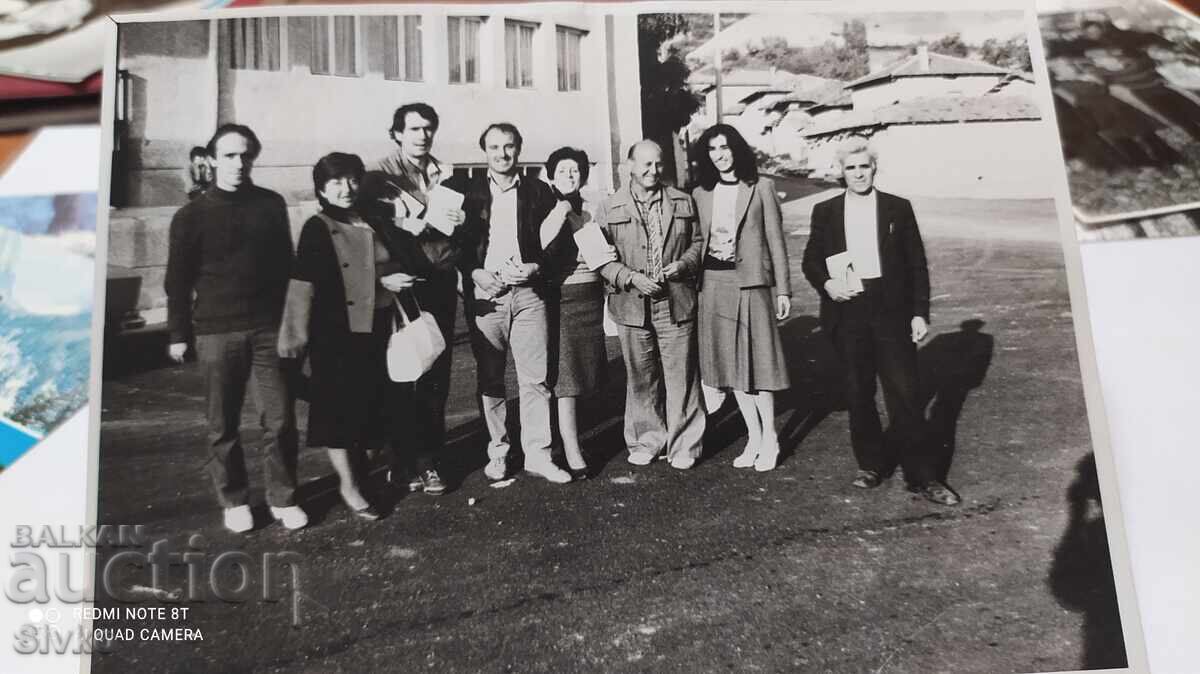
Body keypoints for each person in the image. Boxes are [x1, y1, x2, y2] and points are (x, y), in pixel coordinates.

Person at [800, 137, 959, 506]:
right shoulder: (826, 211)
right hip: (847, 310)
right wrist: (827, 285)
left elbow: (916, 263)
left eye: (864, 166)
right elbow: (811, 260)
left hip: (891, 311)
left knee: (905, 394)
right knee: (858, 392)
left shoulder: (897, 208)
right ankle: (870, 464)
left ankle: (923, 477)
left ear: (874, 169)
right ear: (841, 172)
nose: (858, 174)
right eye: (851, 168)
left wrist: (919, 312)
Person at [164, 124, 305, 532]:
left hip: (268, 330)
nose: (238, 163)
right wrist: (178, 334)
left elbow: (286, 267)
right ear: (211, 160)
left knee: (279, 421)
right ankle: (235, 500)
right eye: (228, 155)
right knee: (222, 424)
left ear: (253, 157)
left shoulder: (270, 205)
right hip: (216, 331)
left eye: (245, 155)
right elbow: (177, 281)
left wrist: (293, 327)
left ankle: (283, 497)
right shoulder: (190, 216)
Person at [278, 152, 426, 521]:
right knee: (338, 414)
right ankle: (349, 486)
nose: (345, 189)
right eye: (335, 182)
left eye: (352, 180)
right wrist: (381, 283)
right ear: (321, 189)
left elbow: (396, 256)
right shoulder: (318, 227)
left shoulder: (372, 219)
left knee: (375, 408)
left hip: (379, 327)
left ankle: (362, 474)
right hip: (337, 335)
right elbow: (315, 285)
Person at [447, 122, 572, 484]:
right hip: (486, 296)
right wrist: (474, 273)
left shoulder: (538, 190)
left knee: (535, 378)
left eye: (509, 146)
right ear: (483, 151)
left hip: (529, 295)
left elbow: (559, 242)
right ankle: (499, 452)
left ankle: (538, 454)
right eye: (494, 147)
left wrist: (537, 266)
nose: (502, 154)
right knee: (491, 378)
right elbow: (451, 243)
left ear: (519, 148)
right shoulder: (466, 193)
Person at [360, 102, 464, 496]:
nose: (422, 135)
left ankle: (429, 460)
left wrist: (460, 223)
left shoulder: (444, 173)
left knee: (436, 374)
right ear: (397, 134)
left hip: (439, 281)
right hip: (403, 283)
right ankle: (401, 462)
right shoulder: (378, 177)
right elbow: (366, 224)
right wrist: (406, 223)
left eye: (428, 128)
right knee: (403, 374)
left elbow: (456, 226)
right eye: (414, 129)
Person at [596, 140, 706, 469]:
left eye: (658, 164)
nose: (653, 171)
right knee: (641, 376)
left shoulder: (682, 201)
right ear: (629, 166)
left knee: (682, 376)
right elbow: (600, 259)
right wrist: (630, 277)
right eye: (645, 164)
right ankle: (647, 439)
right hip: (631, 303)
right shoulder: (609, 207)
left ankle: (685, 445)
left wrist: (684, 264)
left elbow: (698, 242)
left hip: (675, 300)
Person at [689, 124, 792, 472]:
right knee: (731, 366)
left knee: (758, 363)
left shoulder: (761, 186)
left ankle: (770, 438)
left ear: (737, 148)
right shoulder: (701, 192)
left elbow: (775, 240)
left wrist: (783, 289)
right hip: (714, 283)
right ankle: (753, 437)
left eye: (725, 147)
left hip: (751, 283)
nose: (720, 155)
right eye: (713, 149)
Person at [539, 146, 616, 480]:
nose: (569, 176)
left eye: (575, 170)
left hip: (591, 295)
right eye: (562, 170)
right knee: (567, 377)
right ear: (551, 175)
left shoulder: (592, 207)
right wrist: (560, 212)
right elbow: (541, 244)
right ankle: (571, 448)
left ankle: (572, 438)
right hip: (563, 296)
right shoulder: (547, 206)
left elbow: (602, 249)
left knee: (585, 372)